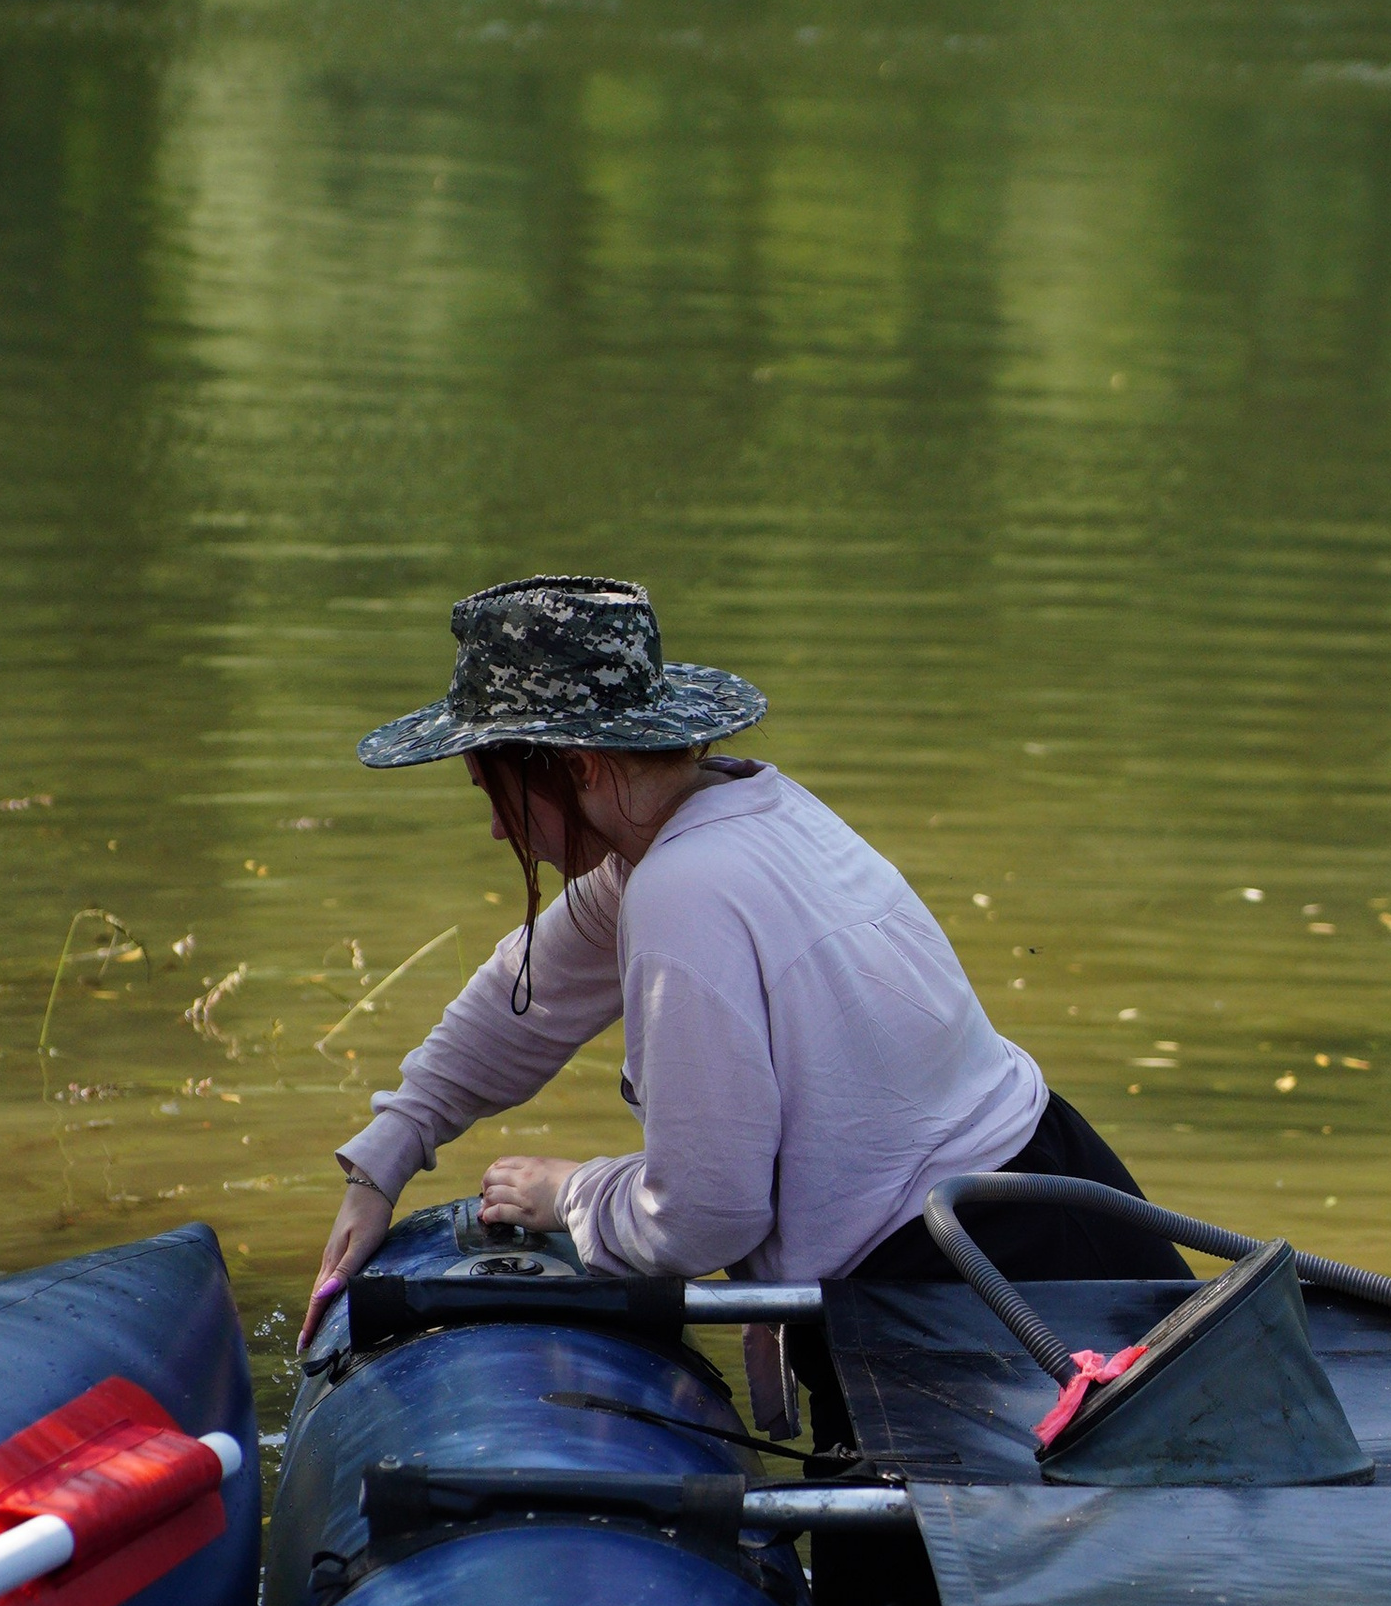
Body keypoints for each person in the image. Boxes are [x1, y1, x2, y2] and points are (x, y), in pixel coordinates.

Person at [301, 574, 1182, 1350]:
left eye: (496, 793)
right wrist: (390, 1151)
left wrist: (573, 1193)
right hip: (1057, 1196)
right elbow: (525, 996)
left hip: (977, 1290)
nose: (497, 828)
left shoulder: (684, 888)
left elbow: (705, 1217)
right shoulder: (728, 811)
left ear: (573, 766)